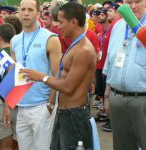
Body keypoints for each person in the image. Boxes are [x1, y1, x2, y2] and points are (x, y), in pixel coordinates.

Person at [20, 2, 96, 150]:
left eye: (61, 22)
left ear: (74, 22)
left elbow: (68, 87)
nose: (57, 25)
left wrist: (42, 77)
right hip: (65, 114)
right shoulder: (75, 45)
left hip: (75, 116)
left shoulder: (84, 50)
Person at [10, 0, 61, 149]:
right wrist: (9, 104)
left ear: (38, 13)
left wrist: (51, 104)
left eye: (30, 10)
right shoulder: (15, 40)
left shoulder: (50, 39)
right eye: (23, 9)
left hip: (42, 106)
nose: (26, 13)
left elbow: (56, 74)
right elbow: (13, 74)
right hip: (21, 106)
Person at [103, 0, 146, 149]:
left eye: (138, 1)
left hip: (142, 100)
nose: (133, 6)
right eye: (129, 2)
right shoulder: (118, 27)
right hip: (117, 99)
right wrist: (107, 95)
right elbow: (111, 61)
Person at [0, 23, 18, 150]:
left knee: (4, 144)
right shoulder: (19, 53)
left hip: (0, 103)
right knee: (20, 142)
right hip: (20, 102)